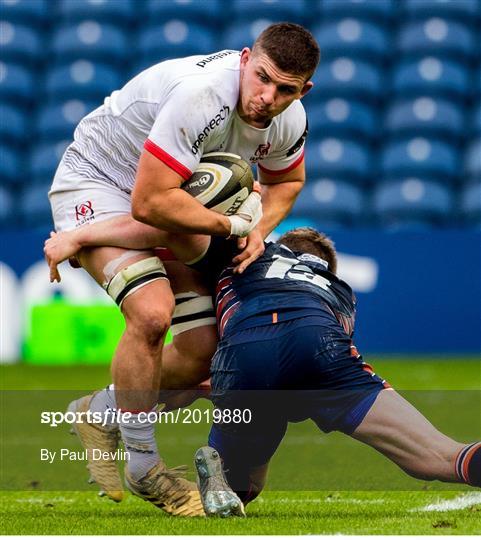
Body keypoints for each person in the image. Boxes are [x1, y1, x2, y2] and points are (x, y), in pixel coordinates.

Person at [46, 22, 320, 515]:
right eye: (262, 78)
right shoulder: (201, 97)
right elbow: (150, 206)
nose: (267, 97)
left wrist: (257, 229)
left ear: (304, 90)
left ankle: (101, 411)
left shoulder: (289, 118)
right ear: (244, 58)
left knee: (203, 352)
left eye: (285, 89)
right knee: (151, 313)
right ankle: (145, 468)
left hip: (173, 192)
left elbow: (287, 182)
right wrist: (228, 222)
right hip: (99, 180)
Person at [184, 228, 480, 517]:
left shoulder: (246, 253)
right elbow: (311, 379)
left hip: (243, 352)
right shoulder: (340, 289)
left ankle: (222, 469)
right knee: (440, 456)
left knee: (246, 479)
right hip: (316, 339)